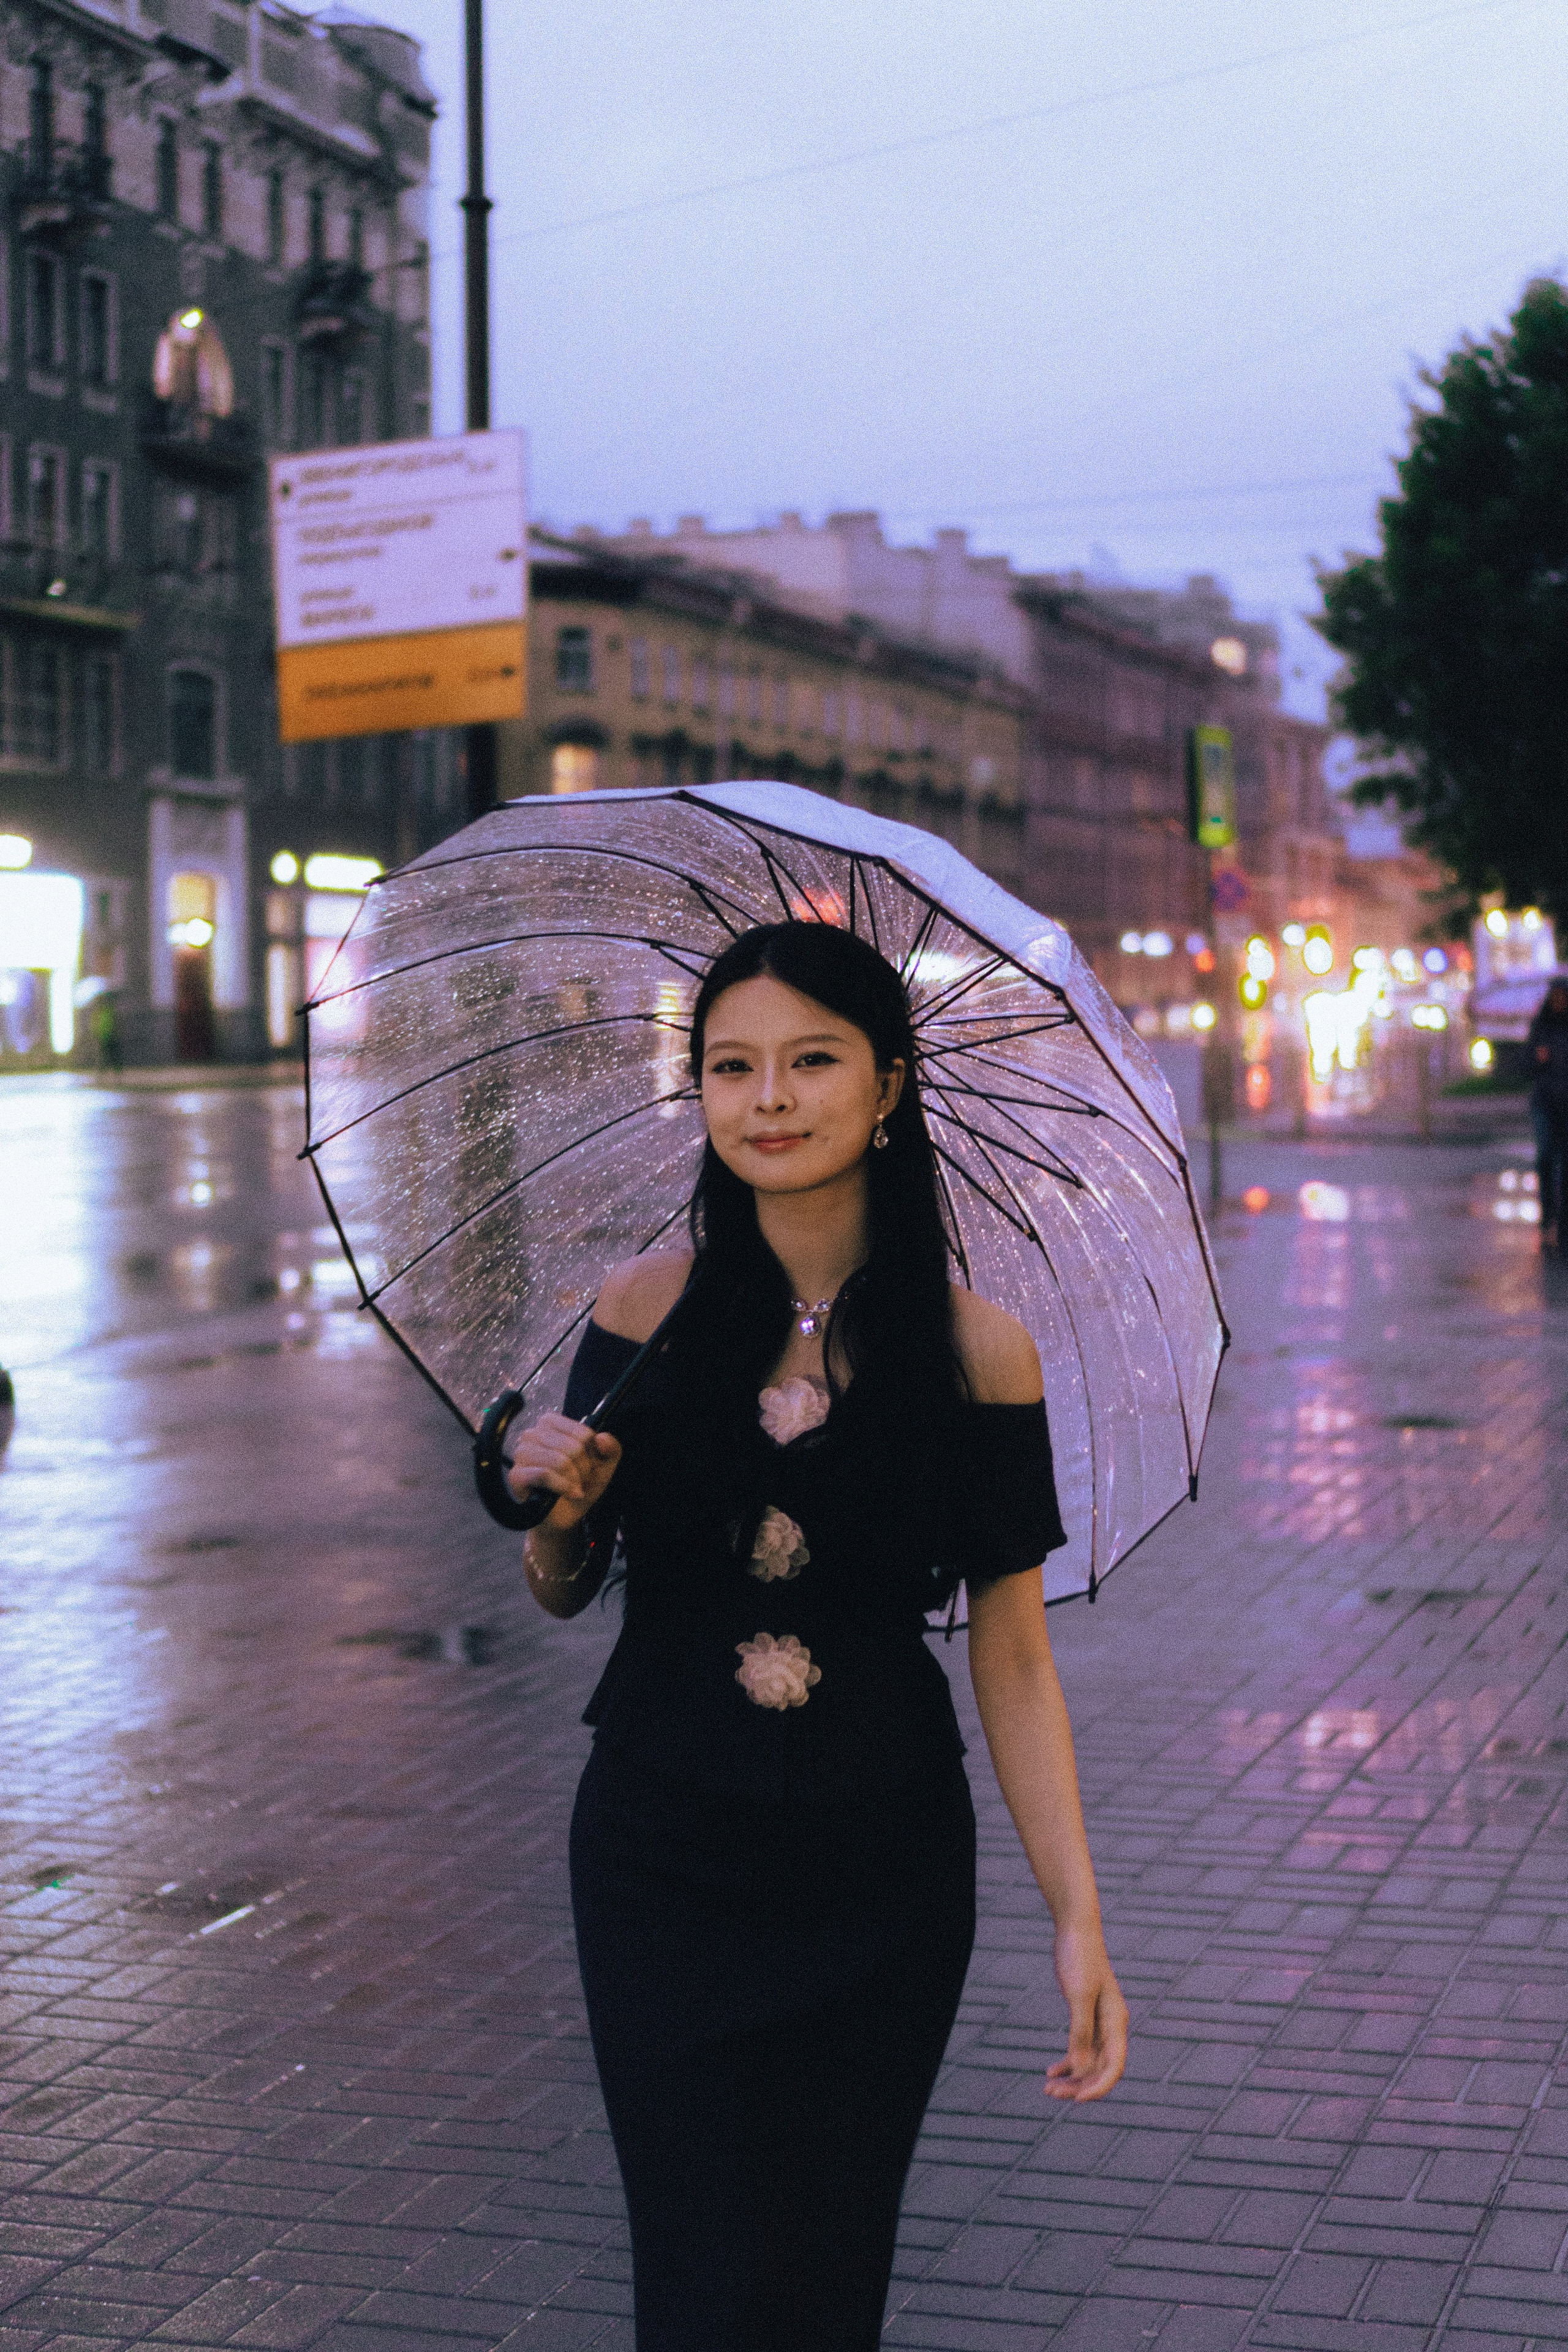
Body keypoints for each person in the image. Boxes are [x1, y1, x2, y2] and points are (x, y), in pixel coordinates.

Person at [507, 922, 1127, 2350]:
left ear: (888, 1084)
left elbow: (1013, 1655)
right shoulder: (641, 1310)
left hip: (878, 1862)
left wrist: (1076, 1911)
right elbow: (558, 1586)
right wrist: (558, 1510)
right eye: (729, 1065)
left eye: (808, 1060)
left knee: (825, 2270)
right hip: (660, 1847)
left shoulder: (978, 1350)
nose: (765, 1098)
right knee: (698, 2266)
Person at [1528, 978, 1568, 1245]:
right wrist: (1535, 1058)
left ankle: (1561, 1222)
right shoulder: (1541, 1026)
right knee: (1546, 1158)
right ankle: (1548, 1217)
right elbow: (1525, 1064)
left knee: (1564, 1164)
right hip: (1545, 1102)